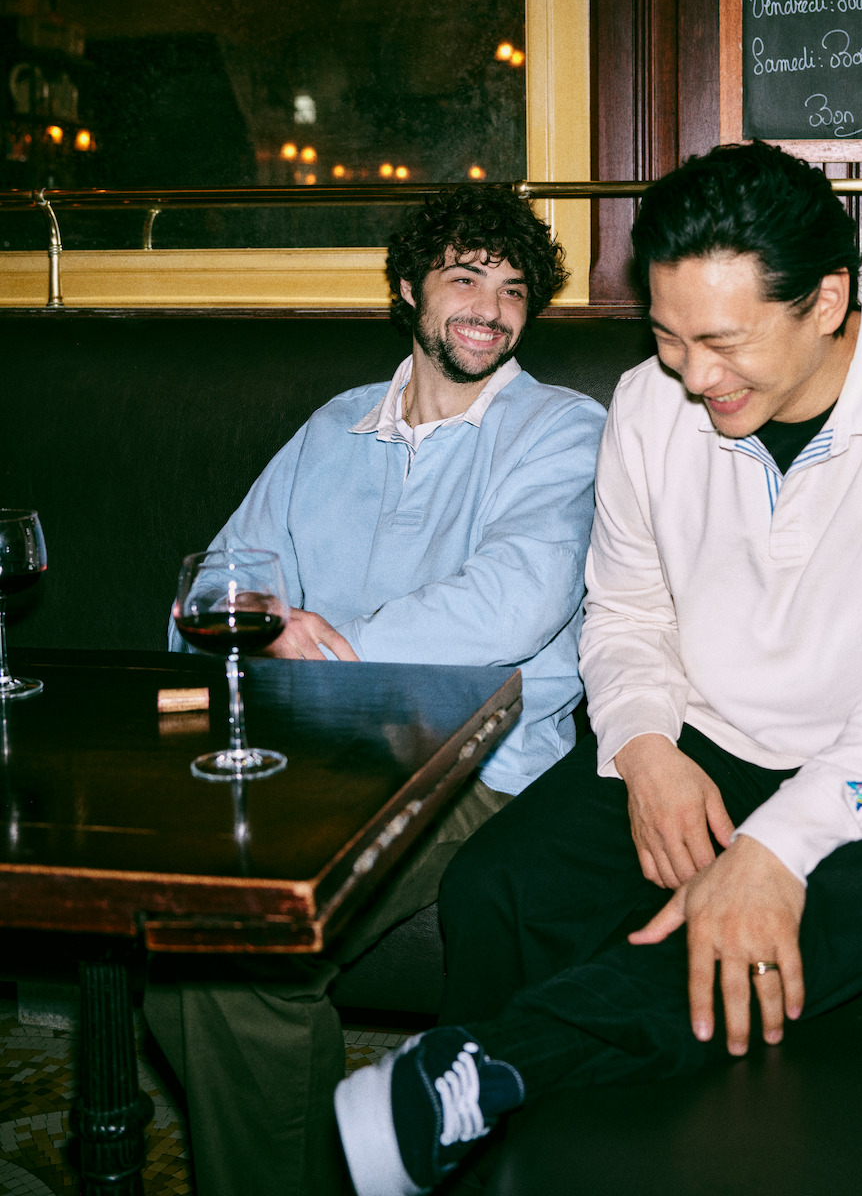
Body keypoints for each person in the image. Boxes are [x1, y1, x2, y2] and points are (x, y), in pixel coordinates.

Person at [335, 142, 862, 1196]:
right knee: (500, 881)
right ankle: (479, 1155)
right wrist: (643, 747)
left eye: (721, 342)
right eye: (669, 338)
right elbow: (624, 613)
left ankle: (497, 1069)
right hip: (702, 747)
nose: (694, 376)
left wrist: (776, 852)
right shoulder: (646, 404)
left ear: (825, 300)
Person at [143, 184, 606, 1196]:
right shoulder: (335, 427)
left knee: (242, 967)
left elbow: (515, 605)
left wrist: (330, 648)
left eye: (514, 288)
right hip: (311, 751)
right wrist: (263, 634)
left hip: (475, 761)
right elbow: (223, 579)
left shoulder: (563, 428)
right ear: (408, 288)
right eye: (465, 277)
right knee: (182, 941)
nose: (490, 306)